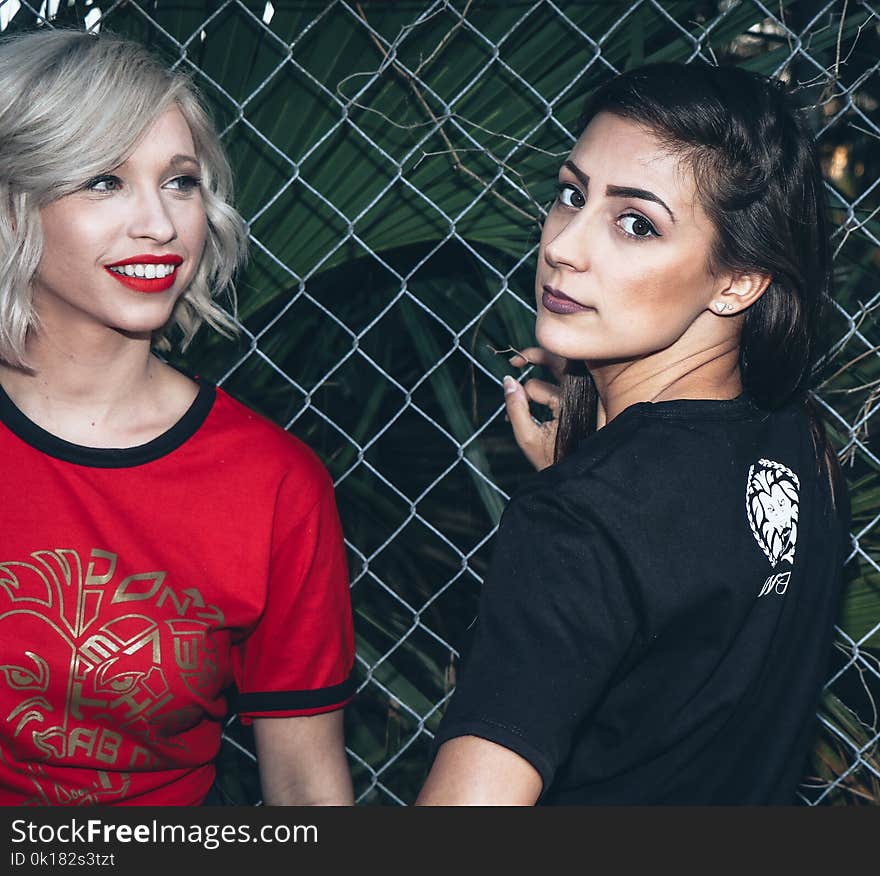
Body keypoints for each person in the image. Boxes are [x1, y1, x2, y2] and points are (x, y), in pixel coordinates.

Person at [416, 62, 850, 805]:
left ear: (738, 281)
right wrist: (595, 464)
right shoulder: (803, 445)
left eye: (635, 222)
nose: (563, 246)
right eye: (570, 195)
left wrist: (588, 492)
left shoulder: (579, 526)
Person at [0, 29, 356, 806]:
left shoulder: (275, 486)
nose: (159, 225)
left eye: (182, 182)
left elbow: (303, 783)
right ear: (14, 203)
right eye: (104, 181)